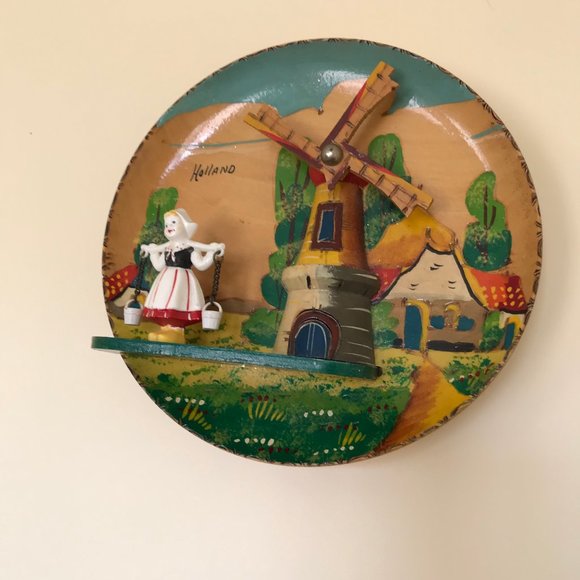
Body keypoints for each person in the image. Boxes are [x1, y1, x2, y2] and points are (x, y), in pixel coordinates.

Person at [140, 208, 225, 343]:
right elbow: (158, 266)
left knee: (177, 303)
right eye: (167, 224)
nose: (169, 227)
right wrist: (153, 252)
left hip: (182, 282)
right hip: (165, 281)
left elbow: (201, 265)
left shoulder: (191, 247)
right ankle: (165, 329)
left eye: (173, 222)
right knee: (163, 303)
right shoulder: (167, 247)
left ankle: (176, 332)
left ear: (186, 226)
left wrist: (211, 252)